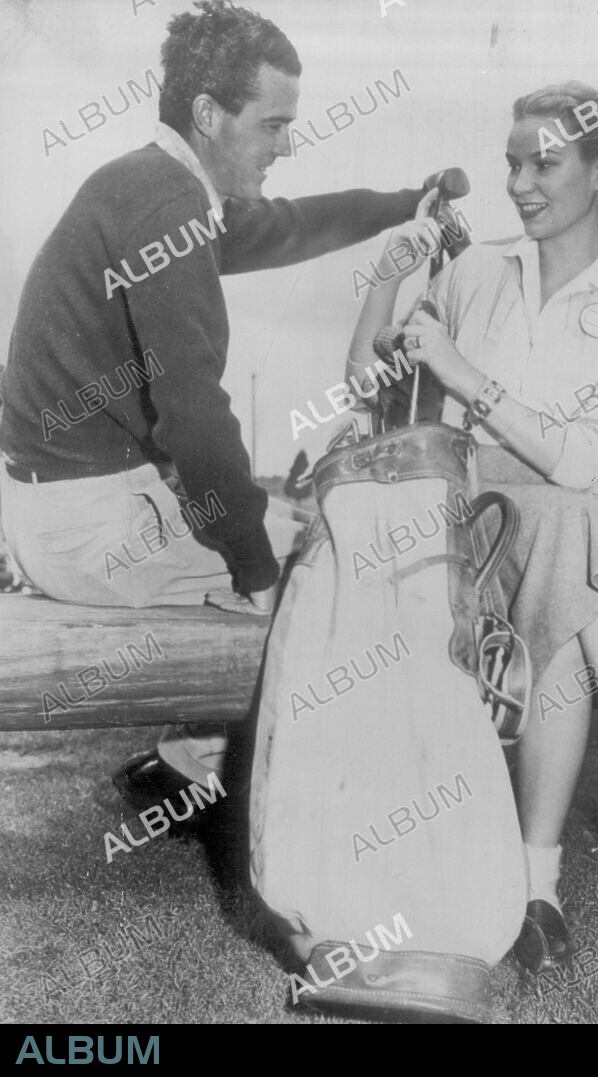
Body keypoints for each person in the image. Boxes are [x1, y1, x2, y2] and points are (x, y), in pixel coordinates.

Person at [346, 81, 598, 972]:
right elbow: (370, 391)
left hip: (583, 542)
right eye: (512, 163)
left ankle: (536, 895)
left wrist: (466, 377)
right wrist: (386, 279)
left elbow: (579, 459)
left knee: (570, 565)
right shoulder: (473, 272)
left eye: (546, 162)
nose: (521, 182)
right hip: (475, 541)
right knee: (575, 542)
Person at [0, 0, 454, 807]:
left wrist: (399, 203)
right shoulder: (163, 201)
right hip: (86, 525)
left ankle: (183, 765)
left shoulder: (158, 184)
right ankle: (294, 813)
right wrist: (251, 563)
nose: (287, 144)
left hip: (76, 506)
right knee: (327, 572)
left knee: (306, 540)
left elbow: (284, 227)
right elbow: (195, 412)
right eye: (273, 125)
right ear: (208, 114)